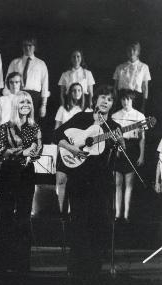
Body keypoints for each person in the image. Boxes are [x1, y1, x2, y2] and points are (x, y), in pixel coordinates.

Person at [55, 85, 120, 273]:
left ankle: (94, 268)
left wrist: (119, 143)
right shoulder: (81, 118)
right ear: (95, 100)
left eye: (109, 99)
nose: (105, 101)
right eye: (102, 97)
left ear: (112, 104)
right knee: (79, 221)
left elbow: (116, 158)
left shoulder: (114, 127)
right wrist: (72, 148)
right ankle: (76, 266)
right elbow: (57, 134)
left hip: (101, 182)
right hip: (80, 180)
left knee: (99, 221)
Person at [0, 91, 42, 272]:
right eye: (22, 103)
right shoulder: (5, 127)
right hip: (9, 172)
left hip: (27, 173)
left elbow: (38, 150)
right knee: (6, 215)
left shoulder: (35, 127)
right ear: (15, 105)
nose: (26, 106)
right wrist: (23, 152)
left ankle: (22, 262)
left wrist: (33, 152)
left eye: (28, 103)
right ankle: (3, 262)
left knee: (23, 216)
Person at [54, 82, 89, 217]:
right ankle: (61, 211)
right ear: (70, 93)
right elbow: (56, 130)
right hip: (64, 147)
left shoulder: (87, 110)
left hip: (79, 149)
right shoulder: (62, 109)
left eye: (79, 90)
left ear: (82, 93)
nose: (76, 93)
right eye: (73, 90)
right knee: (61, 179)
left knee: (74, 181)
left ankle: (71, 211)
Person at [111, 90, 145, 223]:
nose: (126, 102)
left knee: (129, 184)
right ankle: (117, 215)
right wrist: (116, 147)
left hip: (132, 149)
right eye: (123, 99)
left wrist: (141, 155)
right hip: (118, 149)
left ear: (132, 100)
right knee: (118, 184)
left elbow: (142, 138)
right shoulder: (114, 115)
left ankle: (126, 215)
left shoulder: (139, 115)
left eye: (128, 100)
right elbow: (112, 136)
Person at [6, 37, 49, 120]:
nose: (27, 48)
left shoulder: (41, 64)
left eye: (30, 45)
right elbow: (7, 82)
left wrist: (43, 105)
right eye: (25, 45)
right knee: (17, 123)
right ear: (22, 47)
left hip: (34, 98)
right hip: (17, 95)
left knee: (32, 124)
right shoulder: (15, 62)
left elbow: (45, 86)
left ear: (35, 47)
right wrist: (9, 100)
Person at [113, 41, 150, 113]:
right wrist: (115, 102)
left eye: (134, 50)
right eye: (129, 50)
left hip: (136, 99)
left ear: (138, 52)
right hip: (122, 98)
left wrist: (143, 105)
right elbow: (115, 87)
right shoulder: (120, 67)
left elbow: (145, 88)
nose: (131, 52)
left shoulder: (144, 67)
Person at [0, 72, 22, 147]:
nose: (14, 85)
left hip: (20, 135)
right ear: (8, 84)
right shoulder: (1, 100)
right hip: (4, 135)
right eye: (11, 82)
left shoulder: (25, 100)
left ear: (21, 83)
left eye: (17, 82)